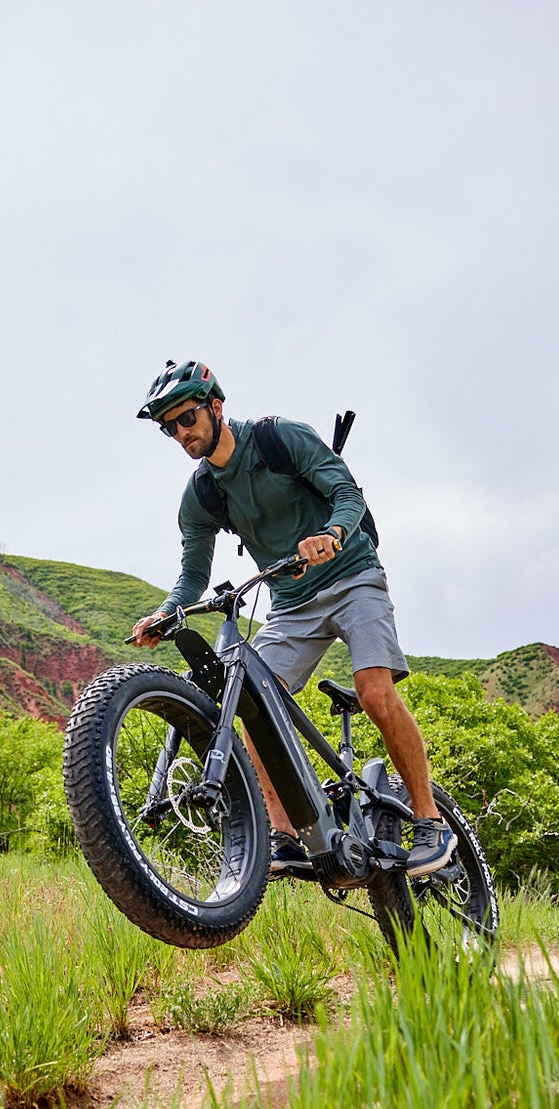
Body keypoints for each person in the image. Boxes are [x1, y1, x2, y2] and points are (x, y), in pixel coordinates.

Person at [127, 359, 455, 879]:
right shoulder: (202, 495)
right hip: (290, 604)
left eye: (187, 418)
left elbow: (347, 494)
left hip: (352, 576)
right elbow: (193, 574)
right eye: (170, 427)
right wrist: (167, 612)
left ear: (216, 407)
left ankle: (431, 820)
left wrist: (333, 534)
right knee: (252, 701)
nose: (181, 433)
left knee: (373, 691)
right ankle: (284, 834)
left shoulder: (279, 438)